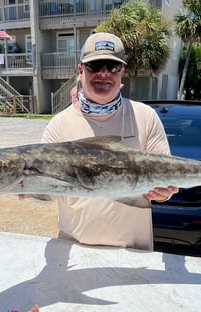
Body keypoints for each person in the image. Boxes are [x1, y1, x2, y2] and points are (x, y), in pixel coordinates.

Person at [42, 32, 178, 251]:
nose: (103, 73)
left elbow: (166, 176)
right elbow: (49, 191)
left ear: (122, 71)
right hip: (76, 246)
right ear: (81, 70)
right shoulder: (58, 125)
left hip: (134, 250)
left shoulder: (145, 116)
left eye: (112, 66)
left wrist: (166, 191)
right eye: (95, 65)